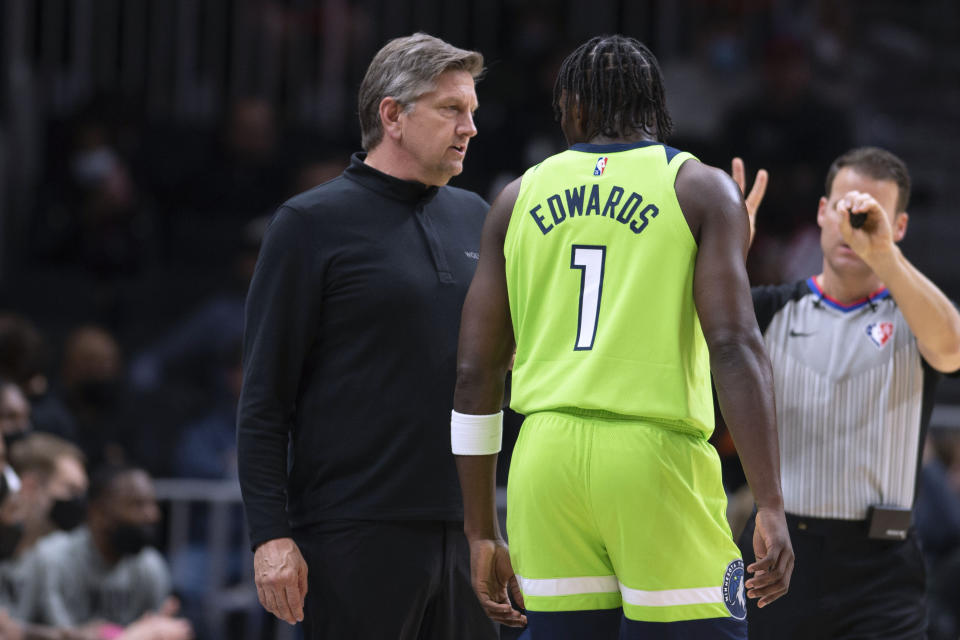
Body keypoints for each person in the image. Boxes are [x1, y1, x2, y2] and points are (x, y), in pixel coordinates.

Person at [452, 34, 793, 640]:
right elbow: (735, 346)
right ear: (655, 105)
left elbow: (475, 375)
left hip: (544, 461)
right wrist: (768, 500)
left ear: (572, 106)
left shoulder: (514, 197)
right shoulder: (697, 186)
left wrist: (481, 531)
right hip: (652, 456)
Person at [237, 33, 497, 639]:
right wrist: (270, 535)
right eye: (452, 109)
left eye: (473, 112)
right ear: (392, 115)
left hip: (467, 529)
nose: (470, 128)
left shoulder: (478, 216)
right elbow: (264, 398)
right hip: (351, 532)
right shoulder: (309, 223)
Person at [734, 146, 960, 639]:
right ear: (821, 212)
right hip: (779, 555)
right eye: (844, 209)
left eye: (872, 214)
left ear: (898, 227)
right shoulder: (770, 309)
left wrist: (882, 254)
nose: (854, 224)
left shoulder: (914, 316)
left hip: (882, 569)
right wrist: (725, 260)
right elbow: (678, 338)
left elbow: (953, 349)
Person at [21, 466, 174, 629]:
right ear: (98, 512)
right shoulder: (53, 558)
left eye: (153, 504)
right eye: (137, 504)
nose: (152, 515)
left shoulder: (150, 566)